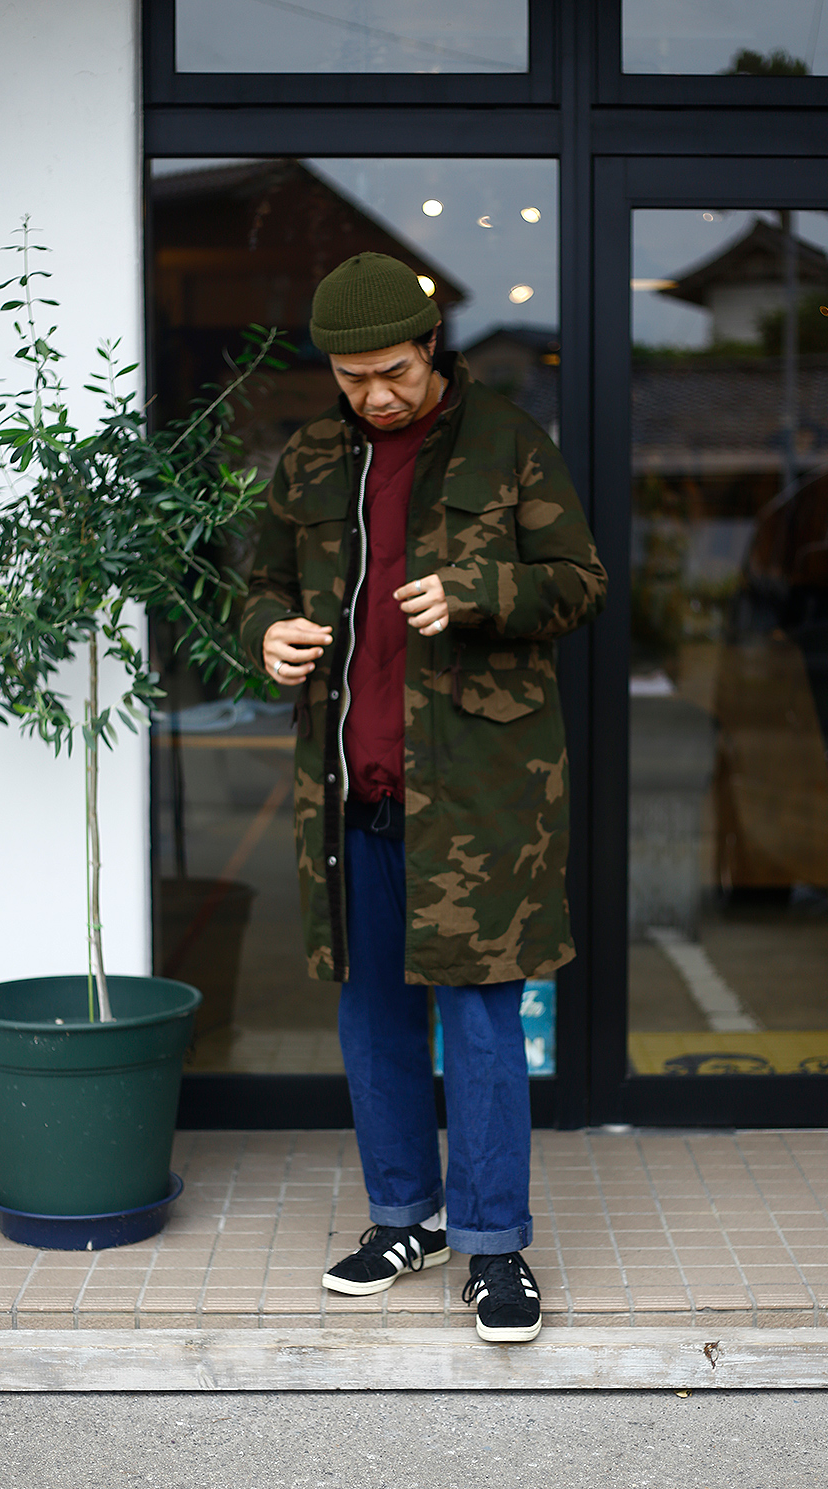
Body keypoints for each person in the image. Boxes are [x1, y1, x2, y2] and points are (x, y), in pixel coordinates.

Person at [242, 252, 606, 1342]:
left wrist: (479, 591)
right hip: (349, 788)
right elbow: (260, 581)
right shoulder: (311, 458)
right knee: (373, 1016)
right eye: (352, 377)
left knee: (482, 1017)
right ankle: (406, 1219)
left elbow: (580, 583)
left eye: (393, 372)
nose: (376, 396)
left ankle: (494, 1245)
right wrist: (267, 631)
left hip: (482, 799)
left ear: (431, 347)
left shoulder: (507, 441)